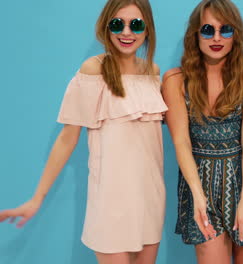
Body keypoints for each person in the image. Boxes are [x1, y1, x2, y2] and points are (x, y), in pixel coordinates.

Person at [0, 0, 167, 263]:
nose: (126, 32)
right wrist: (36, 199)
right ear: (106, 27)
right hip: (110, 201)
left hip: (151, 199)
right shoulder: (94, 70)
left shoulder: (153, 74)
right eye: (117, 24)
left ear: (147, 30)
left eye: (135, 24)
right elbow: (67, 138)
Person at [162, 0, 243, 263]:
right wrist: (197, 195)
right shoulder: (175, 80)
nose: (216, 38)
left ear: (236, 34)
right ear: (195, 34)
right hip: (199, 184)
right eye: (207, 30)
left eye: (225, 29)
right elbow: (181, 142)